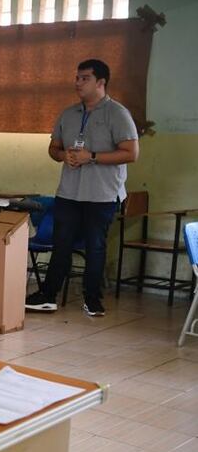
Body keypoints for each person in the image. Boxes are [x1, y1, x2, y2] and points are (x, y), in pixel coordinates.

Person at [25, 59, 139, 316]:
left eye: (84, 78)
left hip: (102, 195)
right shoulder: (68, 114)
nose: (78, 83)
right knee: (61, 244)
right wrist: (63, 155)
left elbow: (131, 153)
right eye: (77, 78)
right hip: (69, 192)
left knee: (95, 246)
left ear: (101, 82)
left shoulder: (117, 113)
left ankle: (92, 299)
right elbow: (53, 148)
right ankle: (47, 295)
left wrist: (93, 157)